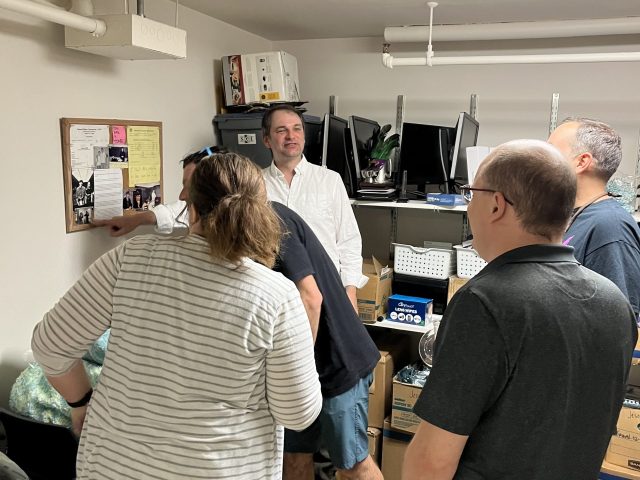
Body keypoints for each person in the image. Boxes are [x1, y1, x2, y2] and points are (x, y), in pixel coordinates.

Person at [94, 147, 383, 479]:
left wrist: (293, 368)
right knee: (292, 458)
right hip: (294, 380)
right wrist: (138, 218)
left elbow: (310, 298)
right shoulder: (221, 233)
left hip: (336, 361)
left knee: (353, 464)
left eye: (191, 184)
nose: (183, 194)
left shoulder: (270, 220)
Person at [31, 153, 323, 479]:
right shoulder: (276, 297)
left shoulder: (130, 259)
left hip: (113, 468)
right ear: (262, 210)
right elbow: (297, 414)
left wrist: (81, 402)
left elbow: (49, 346)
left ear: (191, 207)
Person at [402, 140, 637, 480]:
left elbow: (432, 461)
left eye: (472, 195)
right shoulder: (615, 302)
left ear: (496, 205)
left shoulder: (486, 302)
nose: (469, 208)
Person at [261, 105, 368, 311]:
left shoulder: (329, 181)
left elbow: (348, 240)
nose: (291, 136)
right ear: (267, 139)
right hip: (276, 294)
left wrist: (350, 292)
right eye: (281, 130)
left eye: (297, 129)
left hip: (327, 288)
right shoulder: (255, 185)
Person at [548, 117, 640, 320]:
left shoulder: (611, 226)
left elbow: (618, 321)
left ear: (582, 162)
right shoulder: (574, 215)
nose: (542, 159)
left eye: (551, 152)